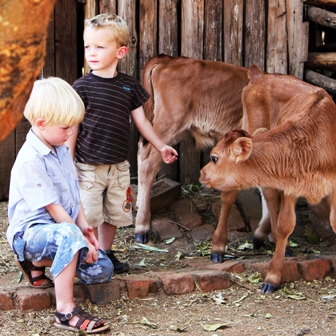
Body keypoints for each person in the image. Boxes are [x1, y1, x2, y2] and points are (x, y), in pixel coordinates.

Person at [67, 13, 178, 274]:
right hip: (88, 167)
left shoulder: (128, 86)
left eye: (99, 47)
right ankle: (87, 254)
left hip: (119, 167)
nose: (91, 53)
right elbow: (72, 127)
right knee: (91, 214)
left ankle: (105, 253)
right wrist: (68, 160)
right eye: (87, 47)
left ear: (121, 51)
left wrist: (160, 146)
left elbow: (143, 122)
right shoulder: (81, 87)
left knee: (115, 213)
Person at [6, 77, 112, 334]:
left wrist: (86, 229)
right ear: (41, 123)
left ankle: (39, 264)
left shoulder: (61, 147)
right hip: (31, 233)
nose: (70, 133)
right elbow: (55, 210)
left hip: (62, 230)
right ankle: (65, 310)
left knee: (102, 269)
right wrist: (78, 238)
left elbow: (73, 197)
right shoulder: (31, 160)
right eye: (66, 127)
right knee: (67, 234)